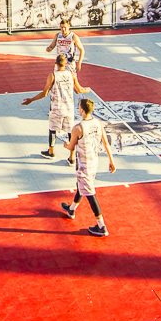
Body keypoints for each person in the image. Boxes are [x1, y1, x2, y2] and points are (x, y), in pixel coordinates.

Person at [61, 95, 114, 237]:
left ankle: (101, 225)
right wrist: (111, 160)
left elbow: (70, 146)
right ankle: (71, 209)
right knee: (82, 186)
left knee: (90, 193)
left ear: (82, 111)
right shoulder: (98, 123)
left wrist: (66, 145)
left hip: (83, 164)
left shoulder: (78, 128)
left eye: (79, 108)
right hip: (94, 161)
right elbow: (106, 143)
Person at [22, 53, 87, 158]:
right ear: (65, 63)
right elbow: (79, 90)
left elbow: (44, 93)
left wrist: (31, 100)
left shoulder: (53, 76)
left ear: (56, 63)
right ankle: (71, 157)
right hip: (69, 107)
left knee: (53, 129)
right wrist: (86, 90)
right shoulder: (71, 74)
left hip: (57, 107)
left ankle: (51, 151)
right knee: (71, 131)